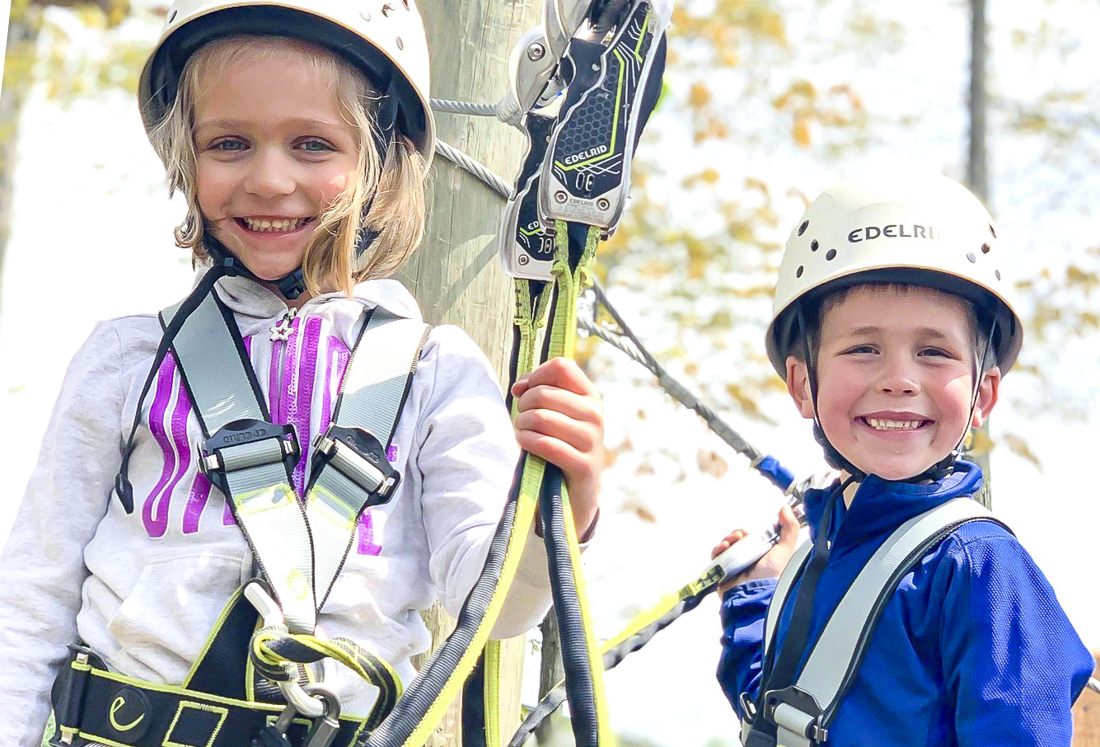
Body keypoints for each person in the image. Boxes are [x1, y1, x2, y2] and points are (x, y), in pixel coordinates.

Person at [0, 1, 604, 744]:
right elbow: (31, 601)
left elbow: (498, 605)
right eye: (229, 143)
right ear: (185, 156)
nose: (267, 178)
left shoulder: (432, 373)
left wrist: (557, 514)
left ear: (383, 160)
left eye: (313, 144)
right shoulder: (127, 360)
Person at [713, 171, 1094, 746]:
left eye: (934, 352)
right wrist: (757, 598)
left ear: (983, 395)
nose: (898, 380)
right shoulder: (821, 552)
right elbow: (782, 717)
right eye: (863, 349)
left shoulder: (980, 569)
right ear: (802, 385)